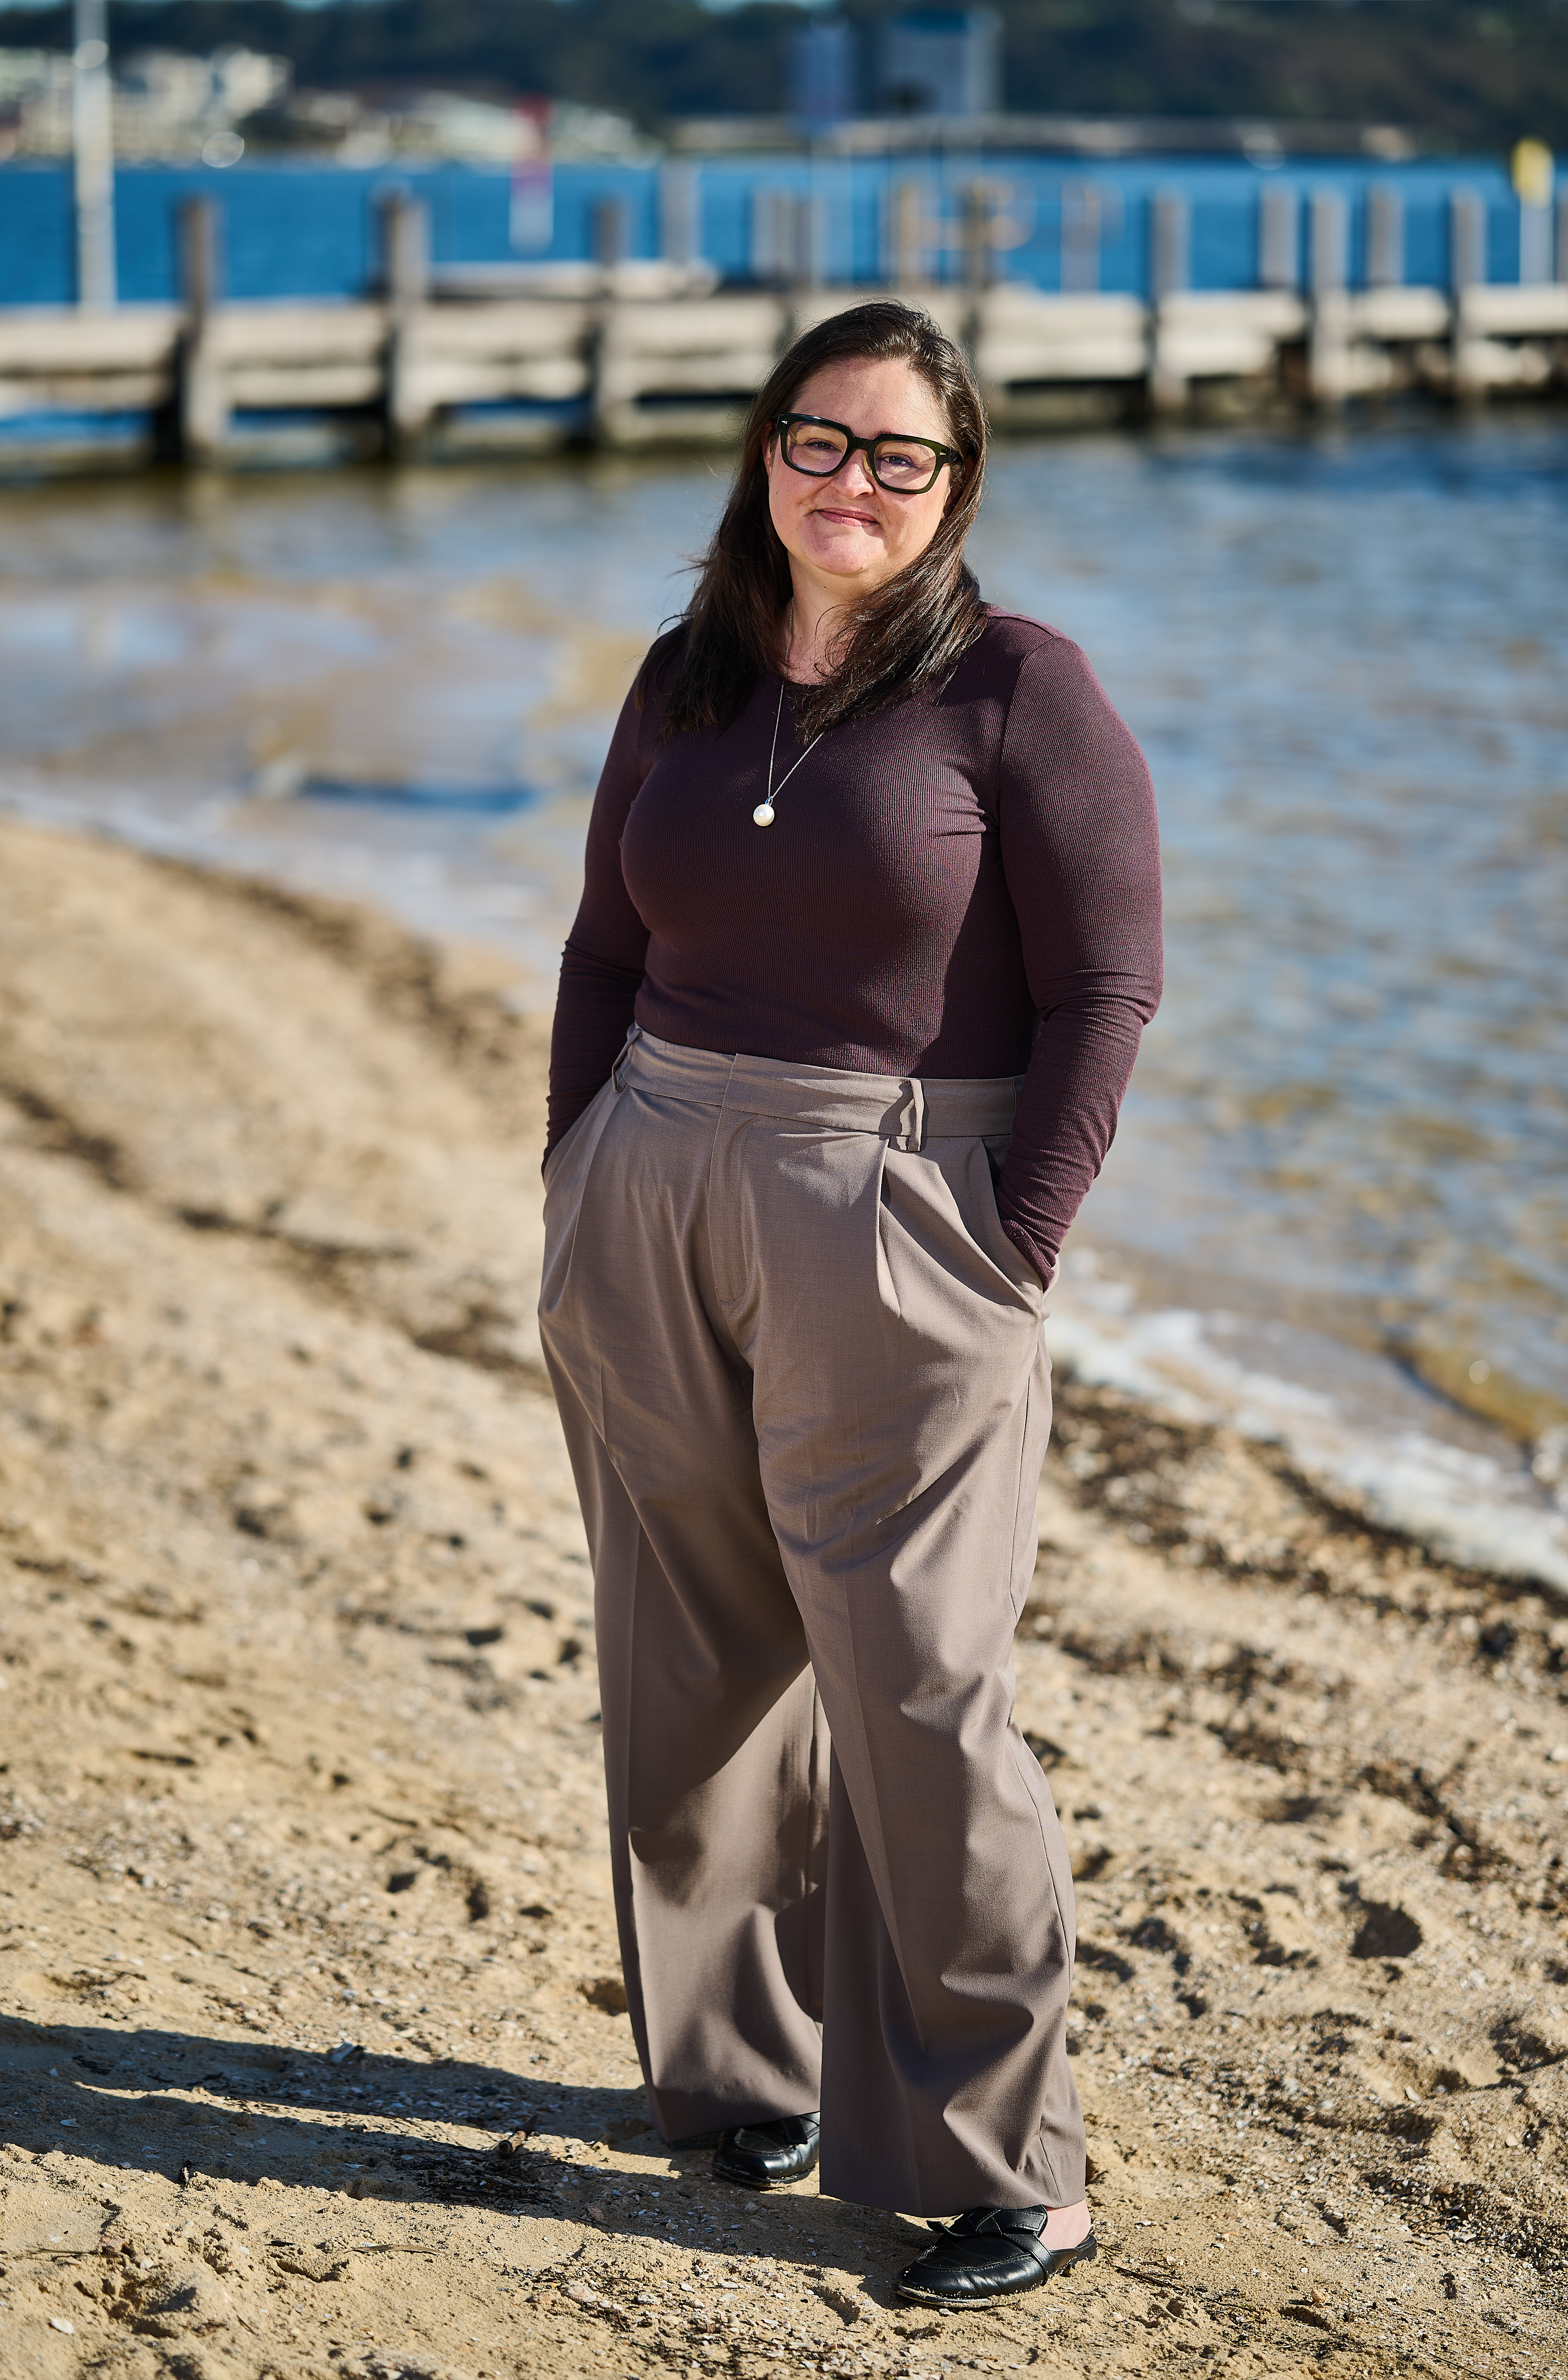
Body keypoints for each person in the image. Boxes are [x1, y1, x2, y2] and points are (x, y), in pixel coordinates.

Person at [538, 299, 1161, 2309]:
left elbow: (1104, 996)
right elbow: (598, 946)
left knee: (918, 1687)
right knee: (690, 1658)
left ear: (957, 486)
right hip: (653, 1180)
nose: (854, 484)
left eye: (903, 457)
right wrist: (574, 1171)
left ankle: (1006, 2162)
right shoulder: (688, 676)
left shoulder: (1018, 695)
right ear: (765, 451)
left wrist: (1013, 1239)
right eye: (822, 440)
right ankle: (738, 2076)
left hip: (901, 1208)